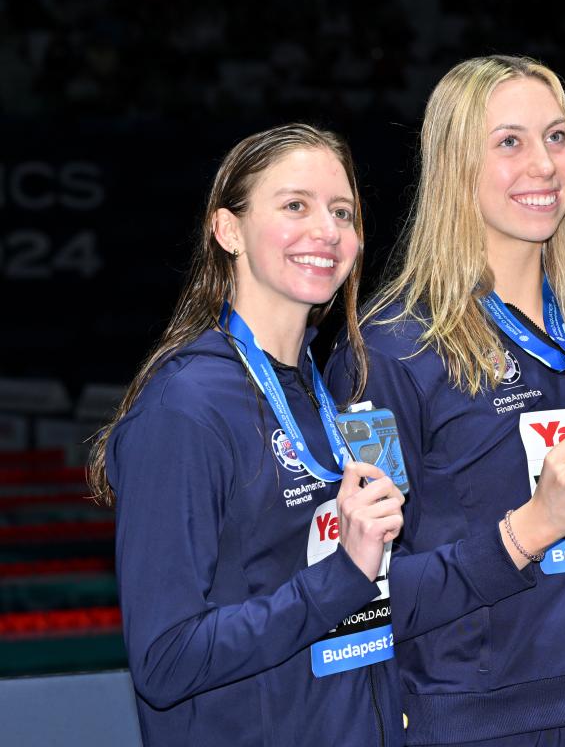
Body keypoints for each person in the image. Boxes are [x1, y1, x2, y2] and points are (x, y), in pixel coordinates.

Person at [326, 55, 565, 745]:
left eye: (556, 137)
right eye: (509, 142)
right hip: (489, 720)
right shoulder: (393, 352)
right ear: (456, 166)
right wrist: (530, 529)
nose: (543, 166)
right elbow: (361, 595)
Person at [87, 124, 406, 746]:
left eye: (343, 212)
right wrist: (344, 572)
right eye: (295, 206)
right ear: (228, 230)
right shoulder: (186, 407)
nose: (327, 230)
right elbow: (166, 660)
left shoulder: (331, 393)